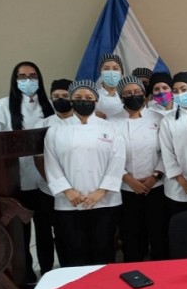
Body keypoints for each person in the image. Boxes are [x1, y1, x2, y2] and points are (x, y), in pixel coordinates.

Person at [0, 61, 55, 283]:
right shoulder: (2, 106)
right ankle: (24, 275)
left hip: (45, 180)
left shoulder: (49, 105)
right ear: (14, 81)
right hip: (15, 181)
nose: (28, 81)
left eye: (32, 76)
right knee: (19, 232)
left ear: (39, 80)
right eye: (22, 77)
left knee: (44, 229)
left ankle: (48, 271)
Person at [44, 80, 126, 266]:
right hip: (69, 203)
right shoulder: (56, 130)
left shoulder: (110, 128)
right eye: (78, 97)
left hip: (105, 202)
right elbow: (51, 163)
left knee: (103, 248)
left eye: (89, 98)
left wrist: (102, 191)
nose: (84, 101)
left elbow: (117, 160)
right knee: (75, 250)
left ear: (96, 101)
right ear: (71, 100)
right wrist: (67, 190)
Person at [109, 76, 167, 262]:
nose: (133, 95)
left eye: (137, 92)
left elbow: (167, 151)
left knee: (159, 234)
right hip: (127, 188)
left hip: (156, 187)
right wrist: (128, 179)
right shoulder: (111, 122)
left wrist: (155, 176)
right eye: (127, 93)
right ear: (121, 96)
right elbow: (109, 156)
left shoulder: (159, 118)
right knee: (131, 236)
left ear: (144, 94)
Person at [33, 78, 76, 270]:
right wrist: (55, 183)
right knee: (46, 232)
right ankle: (46, 270)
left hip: (79, 189)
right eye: (56, 97)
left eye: (65, 96)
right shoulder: (43, 125)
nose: (60, 100)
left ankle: (70, 267)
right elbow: (39, 158)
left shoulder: (82, 121)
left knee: (68, 233)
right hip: (49, 189)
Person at [160, 72, 187, 221]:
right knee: (182, 234)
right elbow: (168, 156)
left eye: (184, 89)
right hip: (177, 188)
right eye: (176, 91)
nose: (180, 94)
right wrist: (184, 183)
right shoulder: (168, 120)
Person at [95, 54, 125, 119]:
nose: (111, 72)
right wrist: (92, 116)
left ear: (121, 72)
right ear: (100, 72)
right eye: (106, 69)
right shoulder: (93, 96)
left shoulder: (127, 95)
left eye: (115, 69)